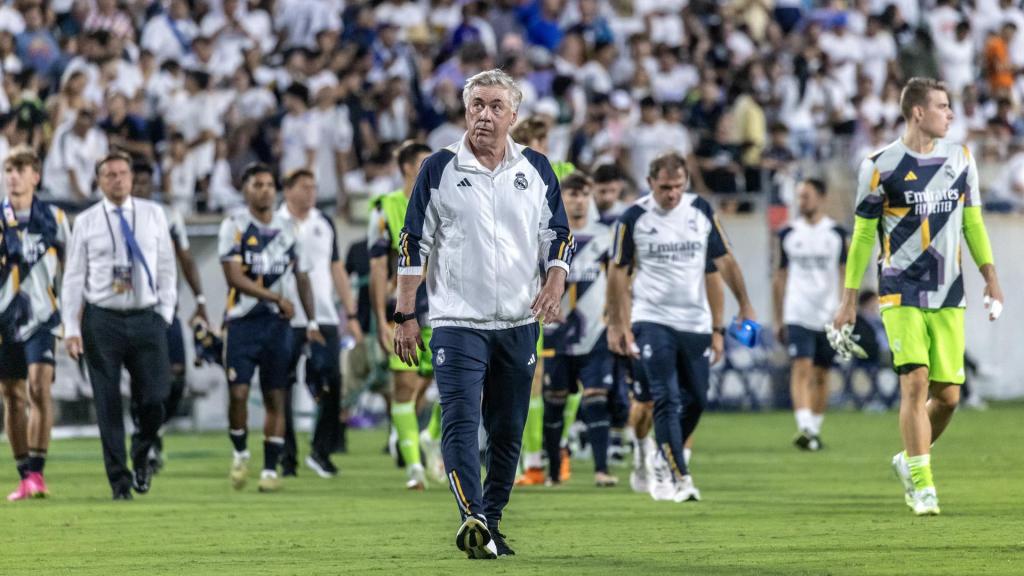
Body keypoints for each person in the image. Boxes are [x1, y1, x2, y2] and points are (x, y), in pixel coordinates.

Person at [394, 69, 574, 559]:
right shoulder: (438, 168)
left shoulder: (536, 167)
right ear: (465, 110)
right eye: (477, 105)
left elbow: (558, 236)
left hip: (519, 320)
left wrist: (555, 282)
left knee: (509, 430)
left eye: (496, 106)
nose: (485, 115)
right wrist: (404, 313)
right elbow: (413, 243)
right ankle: (470, 514)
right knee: (458, 419)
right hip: (457, 321)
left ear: (513, 115)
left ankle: (489, 522)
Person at [833, 77, 1004, 516]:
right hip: (899, 290)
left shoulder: (961, 159)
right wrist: (849, 298)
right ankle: (923, 485)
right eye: (943, 106)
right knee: (915, 382)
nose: (950, 114)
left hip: (948, 290)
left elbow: (973, 224)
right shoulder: (879, 165)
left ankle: (908, 458)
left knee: (948, 396)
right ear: (918, 113)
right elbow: (862, 237)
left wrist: (991, 275)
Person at [607, 151, 755, 503]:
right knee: (666, 397)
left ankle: (662, 454)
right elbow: (617, 271)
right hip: (652, 319)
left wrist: (744, 304)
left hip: (695, 322)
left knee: (698, 400)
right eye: (664, 188)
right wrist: (619, 323)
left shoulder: (701, 211)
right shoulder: (634, 218)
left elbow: (724, 262)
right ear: (649, 184)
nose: (671, 194)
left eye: (677, 186)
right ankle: (680, 476)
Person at [61, 151, 177, 500]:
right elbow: (73, 277)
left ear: (131, 177)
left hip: (146, 317)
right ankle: (119, 481)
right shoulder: (86, 221)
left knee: (157, 396)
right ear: (99, 181)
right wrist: (71, 327)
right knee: (107, 403)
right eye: (109, 174)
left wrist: (165, 313)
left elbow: (168, 267)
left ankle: (142, 453)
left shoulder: (154, 214)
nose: (118, 179)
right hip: (103, 320)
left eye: (123, 173)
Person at [219, 163, 321, 493]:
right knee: (238, 394)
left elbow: (303, 276)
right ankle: (240, 452)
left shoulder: (289, 228)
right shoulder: (234, 225)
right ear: (246, 189)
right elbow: (234, 277)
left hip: (279, 325)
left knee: (276, 395)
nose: (264, 190)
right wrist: (275, 297)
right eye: (257, 184)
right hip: (242, 322)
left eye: (268, 184)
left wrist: (312, 320)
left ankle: (269, 468)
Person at [368, 141, 444, 490]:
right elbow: (377, 267)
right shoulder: (385, 209)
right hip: (405, 311)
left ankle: (430, 437)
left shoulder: (444, 201)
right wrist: (382, 319)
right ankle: (414, 466)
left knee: (454, 386)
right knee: (405, 386)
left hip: (444, 309)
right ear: (405, 168)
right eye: (421, 164)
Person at [278, 169, 363, 479]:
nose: (311, 192)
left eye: (314, 187)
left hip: (324, 314)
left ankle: (321, 450)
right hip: (285, 316)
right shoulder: (273, 224)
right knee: (281, 387)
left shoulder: (323, 223)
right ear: (287, 190)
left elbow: (336, 269)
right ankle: (286, 457)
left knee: (332, 383)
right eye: (304, 187)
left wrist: (350, 315)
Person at [539, 171, 618, 487]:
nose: (578, 200)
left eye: (583, 194)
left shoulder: (606, 236)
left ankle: (601, 470)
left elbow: (619, 278)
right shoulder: (548, 235)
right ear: (563, 198)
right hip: (557, 332)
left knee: (597, 395)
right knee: (555, 398)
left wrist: (616, 315)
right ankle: (555, 472)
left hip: (596, 329)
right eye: (572, 194)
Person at [0, 146, 70, 501]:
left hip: (42, 317)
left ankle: (39, 474)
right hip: (3, 320)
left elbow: (72, 273)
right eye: (9, 168)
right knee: (11, 397)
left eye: (20, 168)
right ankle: (24, 474)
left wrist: (72, 322)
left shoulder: (55, 219)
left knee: (39, 388)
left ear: (35, 176)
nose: (13, 175)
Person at [130, 163, 209, 472]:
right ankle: (145, 441)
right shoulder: (115, 218)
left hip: (166, 311)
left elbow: (185, 258)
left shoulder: (168, 215)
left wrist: (200, 300)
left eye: (144, 182)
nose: (139, 187)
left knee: (177, 377)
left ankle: (153, 430)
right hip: (134, 312)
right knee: (142, 380)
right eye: (135, 181)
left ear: (152, 185)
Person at [772, 178, 847, 451]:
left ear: (821, 197)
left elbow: (844, 274)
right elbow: (779, 277)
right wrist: (779, 317)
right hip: (798, 311)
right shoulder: (788, 233)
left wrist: (844, 309)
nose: (801, 201)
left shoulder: (836, 234)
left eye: (806, 196)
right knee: (801, 367)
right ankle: (803, 425)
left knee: (821, 374)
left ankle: (814, 430)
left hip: (827, 313)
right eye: (799, 196)